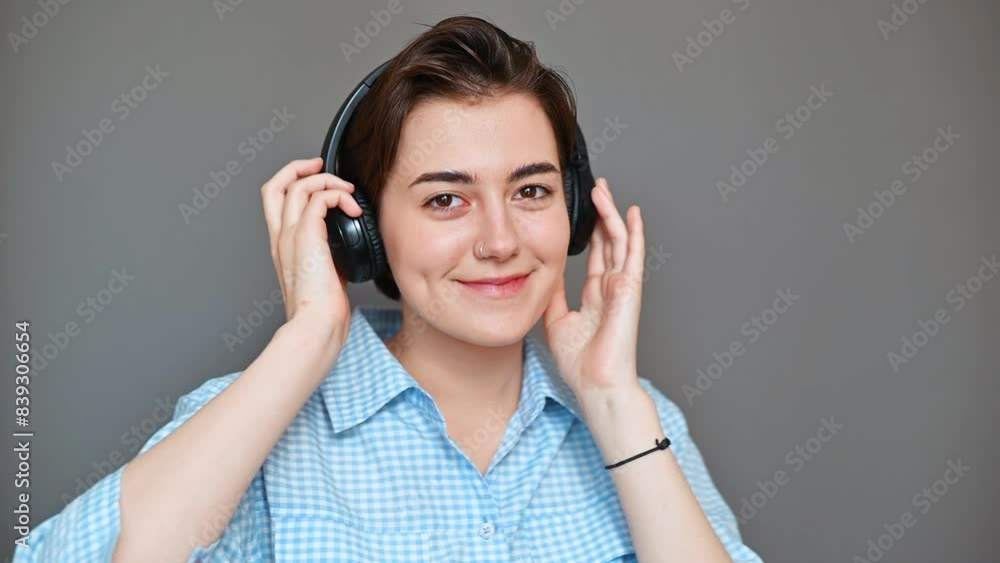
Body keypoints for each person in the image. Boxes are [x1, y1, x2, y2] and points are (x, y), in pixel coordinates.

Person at [15, 15, 764, 563]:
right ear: (361, 232)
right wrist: (308, 336)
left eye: (531, 191)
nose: (500, 240)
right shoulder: (256, 422)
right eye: (446, 199)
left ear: (570, 211)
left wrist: (610, 399)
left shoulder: (640, 421)